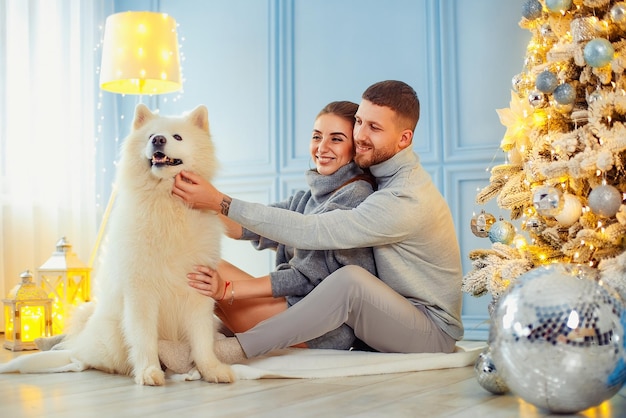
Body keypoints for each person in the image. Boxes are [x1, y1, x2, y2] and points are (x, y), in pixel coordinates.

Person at [172, 80, 464, 364]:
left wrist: (219, 201)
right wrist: (181, 195)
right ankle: (194, 344)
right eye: (359, 122)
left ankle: (228, 352)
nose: (361, 134)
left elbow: (312, 233)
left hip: (429, 330)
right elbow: (257, 226)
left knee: (352, 280)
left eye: (373, 128)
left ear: (404, 138)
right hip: (379, 317)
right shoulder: (371, 180)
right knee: (196, 260)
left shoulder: (404, 197)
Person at [187, 100, 377, 352]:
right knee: (196, 271)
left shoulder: (355, 196)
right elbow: (246, 226)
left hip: (320, 328)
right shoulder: (307, 198)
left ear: (355, 147)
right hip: (293, 305)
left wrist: (227, 289)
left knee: (201, 268)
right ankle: (192, 349)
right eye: (317, 136)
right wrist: (194, 196)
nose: (322, 147)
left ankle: (201, 348)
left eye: (336, 139)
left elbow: (304, 279)